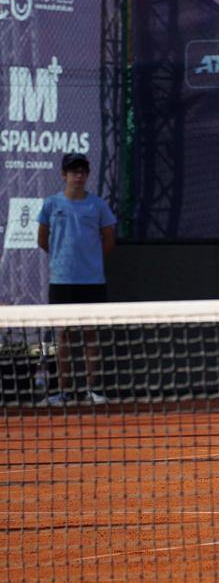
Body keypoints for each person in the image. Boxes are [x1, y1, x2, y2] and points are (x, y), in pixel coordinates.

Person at [36, 153, 117, 406]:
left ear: (87, 175)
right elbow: (42, 239)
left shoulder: (98, 205)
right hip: (62, 281)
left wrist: (90, 263)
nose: (78, 176)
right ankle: (63, 392)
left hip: (92, 282)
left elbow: (108, 240)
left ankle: (91, 391)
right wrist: (63, 260)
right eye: (73, 171)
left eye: (82, 171)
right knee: (65, 337)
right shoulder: (51, 204)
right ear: (63, 175)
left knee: (91, 335)